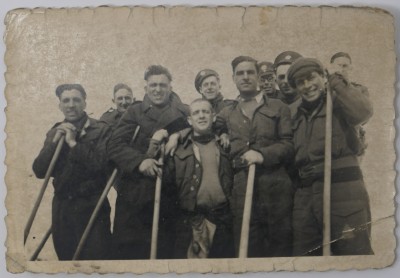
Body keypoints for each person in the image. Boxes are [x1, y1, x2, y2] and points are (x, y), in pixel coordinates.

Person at [287, 57, 374, 256]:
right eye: (301, 82)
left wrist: (337, 81)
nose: (308, 85)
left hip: (343, 190)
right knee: (305, 258)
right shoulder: (293, 112)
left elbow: (363, 113)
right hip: (306, 195)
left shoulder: (339, 99)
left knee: (353, 254)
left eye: (312, 78)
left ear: (322, 76)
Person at [107, 65, 190, 260]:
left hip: (169, 194)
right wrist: (140, 162)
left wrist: (178, 134)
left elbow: (207, 122)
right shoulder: (134, 112)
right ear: (145, 88)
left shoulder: (183, 112)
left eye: (162, 85)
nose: (158, 89)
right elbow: (115, 145)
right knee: (130, 253)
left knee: (166, 252)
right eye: (153, 85)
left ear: (170, 87)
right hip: (135, 195)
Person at [217, 56, 294, 257]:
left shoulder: (278, 107)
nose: (245, 77)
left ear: (258, 76)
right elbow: (204, 126)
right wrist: (222, 132)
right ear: (233, 78)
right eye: (240, 73)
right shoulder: (227, 113)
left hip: (275, 186)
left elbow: (288, 144)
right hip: (241, 187)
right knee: (247, 246)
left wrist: (262, 155)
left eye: (250, 72)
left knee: (279, 248)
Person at [32, 84, 112, 260]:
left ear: (84, 103)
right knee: (66, 261)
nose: (71, 105)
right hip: (63, 206)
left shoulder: (101, 129)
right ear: (59, 105)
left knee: (97, 261)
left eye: (76, 100)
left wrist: (73, 143)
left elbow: (101, 165)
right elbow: (39, 171)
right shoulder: (55, 131)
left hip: (92, 204)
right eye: (65, 100)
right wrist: (54, 143)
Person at [162, 99, 235, 259]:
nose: (201, 116)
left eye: (205, 112)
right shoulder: (178, 148)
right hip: (190, 223)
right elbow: (166, 187)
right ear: (189, 120)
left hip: (222, 221)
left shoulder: (224, 145)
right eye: (196, 113)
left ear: (213, 117)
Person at [330, 52, 369, 157]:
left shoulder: (359, 90)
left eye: (345, 66)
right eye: (338, 66)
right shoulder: (325, 91)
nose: (341, 69)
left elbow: (364, 118)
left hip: (351, 145)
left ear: (351, 68)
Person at [273, 51, 303, 116]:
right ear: (276, 80)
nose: (286, 81)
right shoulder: (272, 107)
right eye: (281, 77)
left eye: (290, 76)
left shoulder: (309, 105)